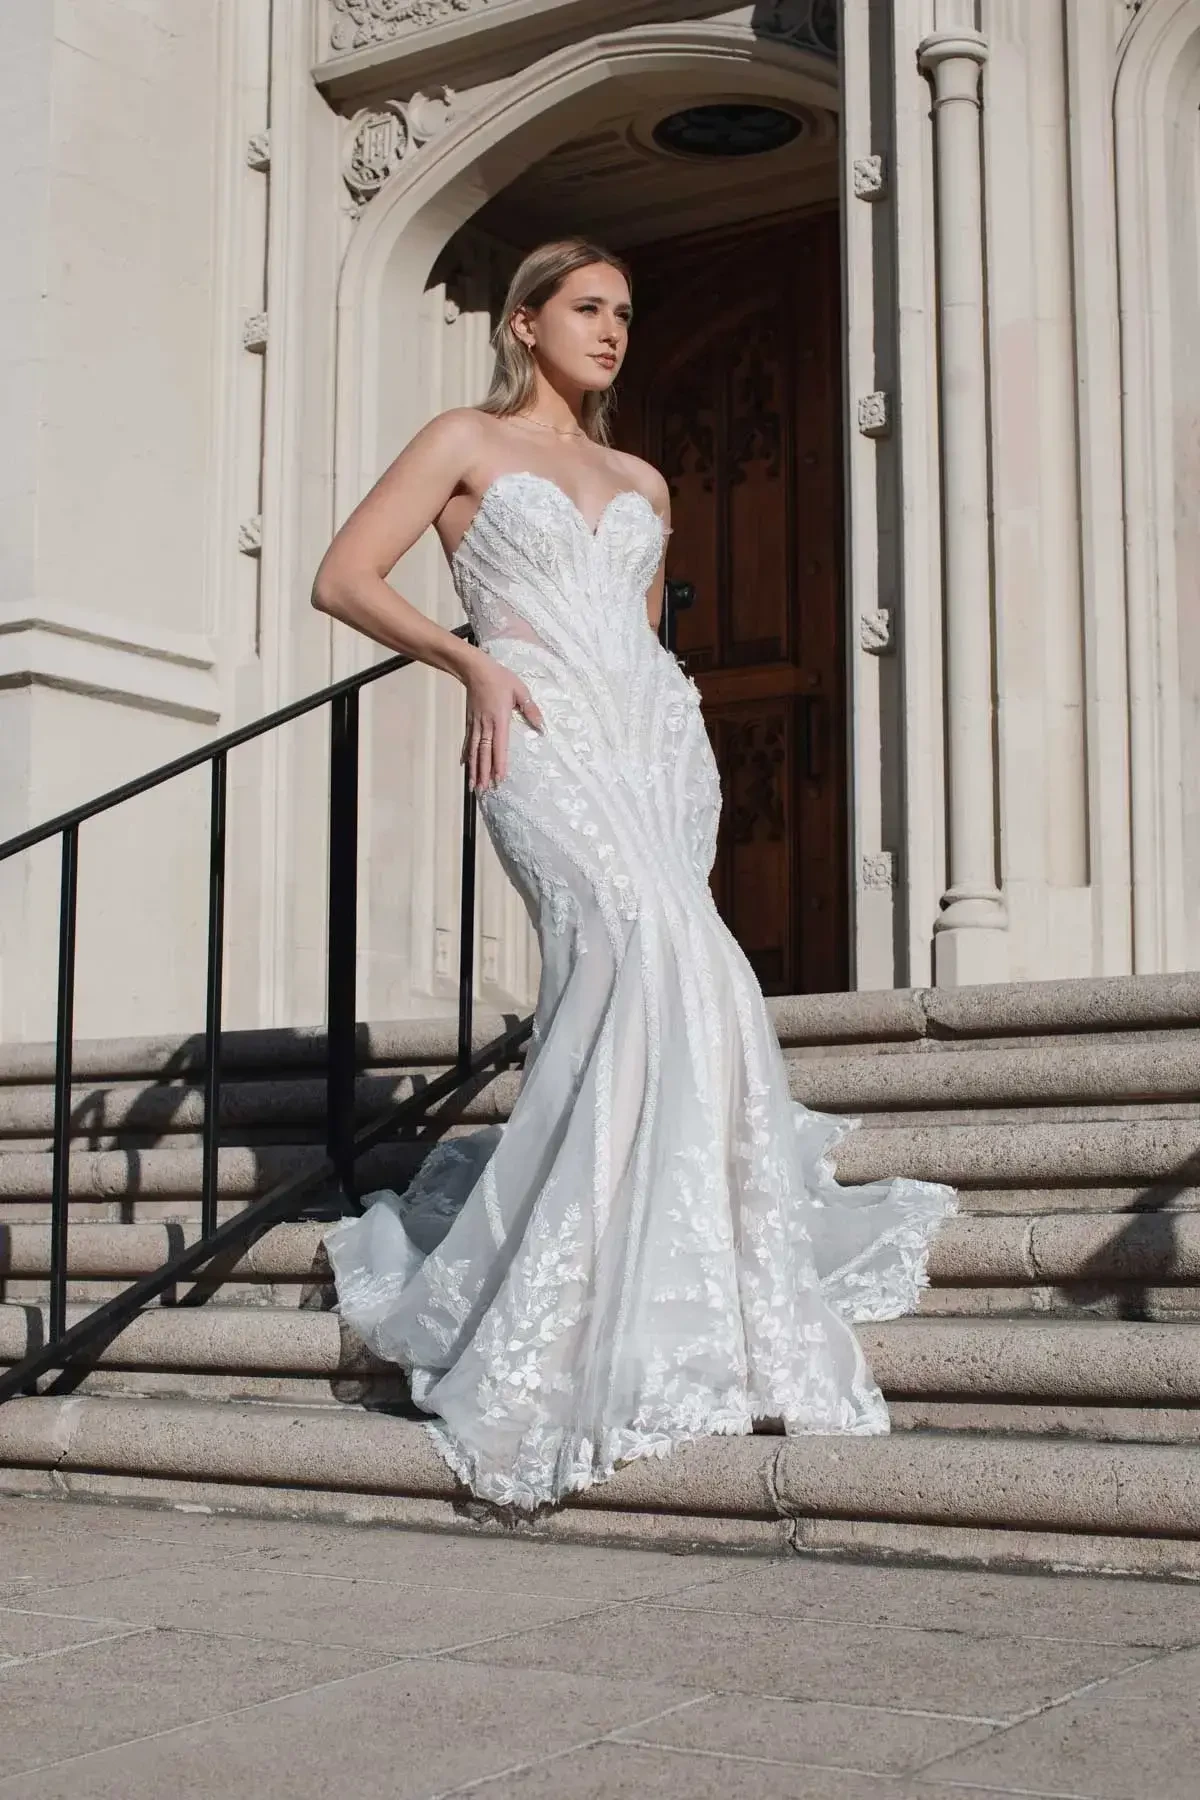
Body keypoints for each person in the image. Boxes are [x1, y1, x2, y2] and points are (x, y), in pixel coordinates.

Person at [312, 237, 956, 1512]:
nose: (613, 331)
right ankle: (559, 1283)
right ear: (524, 323)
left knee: (691, 979)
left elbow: (642, 636)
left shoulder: (642, 475)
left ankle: (678, 1271)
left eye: (625, 313)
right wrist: (474, 666)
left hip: (657, 750)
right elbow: (342, 577)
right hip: (535, 738)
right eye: (589, 308)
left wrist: (678, 723)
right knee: (633, 950)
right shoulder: (462, 442)